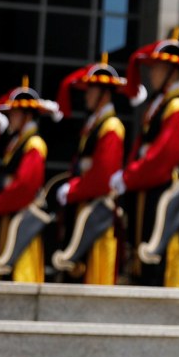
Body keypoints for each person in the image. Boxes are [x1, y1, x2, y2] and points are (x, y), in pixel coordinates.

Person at [120, 31, 179, 287]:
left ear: (172, 71)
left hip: (162, 193)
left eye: (158, 68)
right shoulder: (159, 105)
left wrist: (129, 176)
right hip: (147, 193)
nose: (152, 74)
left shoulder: (177, 108)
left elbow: (162, 158)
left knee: (159, 260)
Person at [54, 61, 135, 285]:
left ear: (104, 93)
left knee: (95, 275)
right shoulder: (94, 125)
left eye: (92, 90)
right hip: (84, 207)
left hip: (99, 214)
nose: (87, 95)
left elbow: (102, 178)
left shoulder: (111, 127)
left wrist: (73, 190)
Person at [0, 82, 59, 284]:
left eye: (14, 113)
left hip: (23, 223)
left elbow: (25, 187)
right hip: (10, 217)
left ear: (27, 114)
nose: (10, 117)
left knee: (22, 274)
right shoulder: (20, 142)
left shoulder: (34, 143)